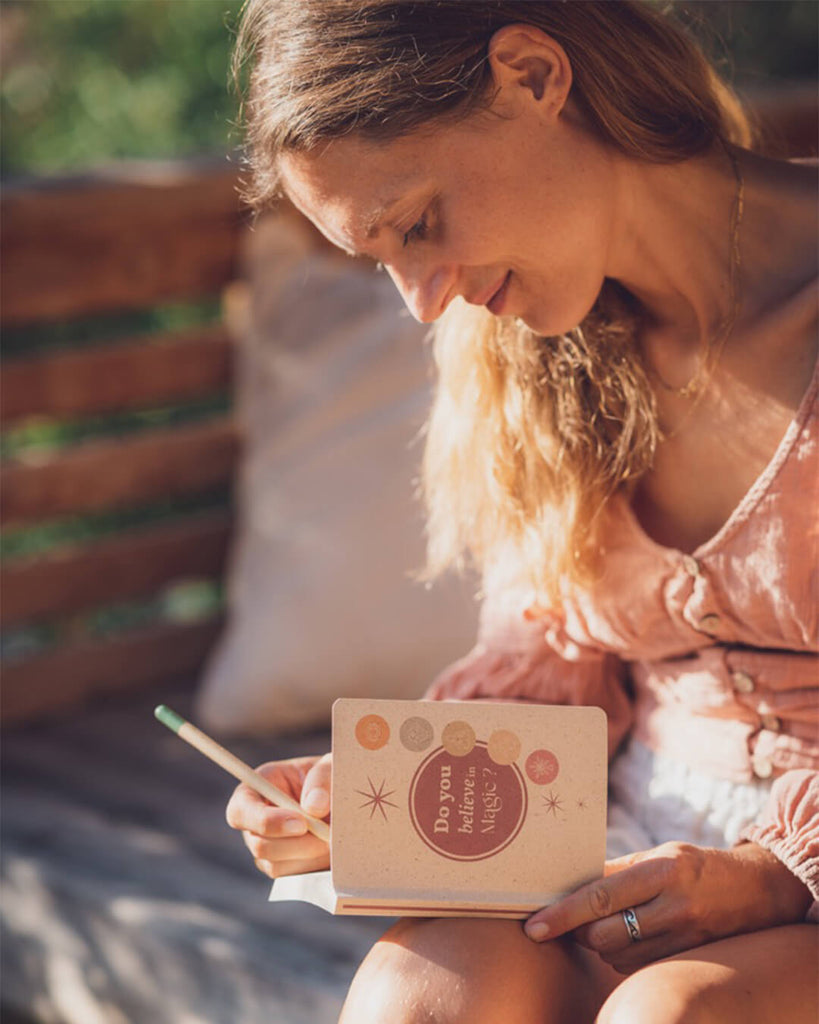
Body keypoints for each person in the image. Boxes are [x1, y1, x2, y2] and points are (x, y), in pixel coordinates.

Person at [224, 2, 819, 1021]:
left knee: (669, 1016)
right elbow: (550, 652)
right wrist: (394, 801)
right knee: (415, 996)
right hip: (630, 845)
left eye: (418, 225)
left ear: (535, 76)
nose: (422, 298)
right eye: (385, 260)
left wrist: (777, 870)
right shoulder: (521, 349)